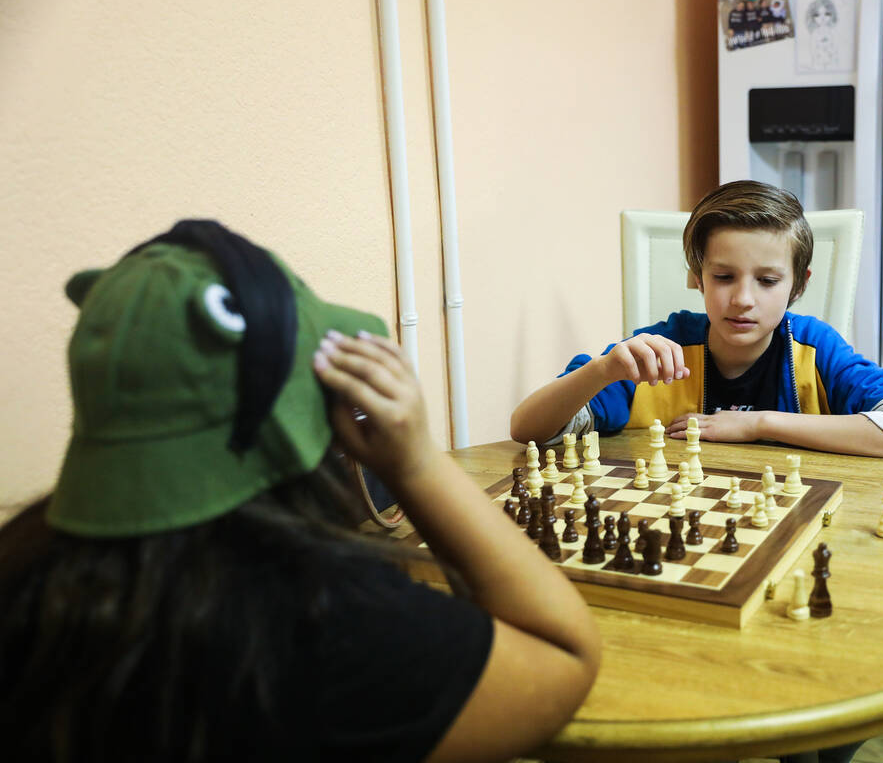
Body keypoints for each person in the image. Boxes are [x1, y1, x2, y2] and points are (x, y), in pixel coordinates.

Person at [0, 220, 601, 762]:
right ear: (318, 410)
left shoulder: (21, 572)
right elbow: (564, 654)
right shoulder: (334, 621)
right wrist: (416, 465)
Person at [510, 180, 883, 466]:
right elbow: (527, 430)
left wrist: (756, 422)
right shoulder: (657, 351)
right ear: (696, 275)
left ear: (798, 287)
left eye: (767, 281)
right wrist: (602, 371)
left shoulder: (815, 349)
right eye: (723, 277)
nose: (743, 300)